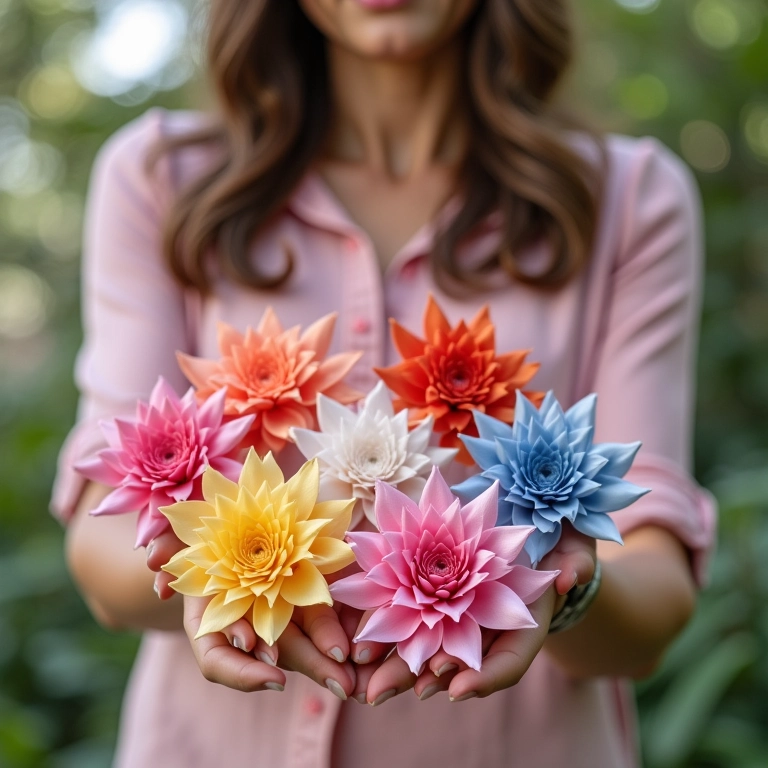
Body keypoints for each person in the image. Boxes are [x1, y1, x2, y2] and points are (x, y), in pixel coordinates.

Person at [52, 1, 716, 766]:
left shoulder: (627, 200)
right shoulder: (164, 178)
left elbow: (654, 583)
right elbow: (103, 543)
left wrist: (564, 590)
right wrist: (239, 582)